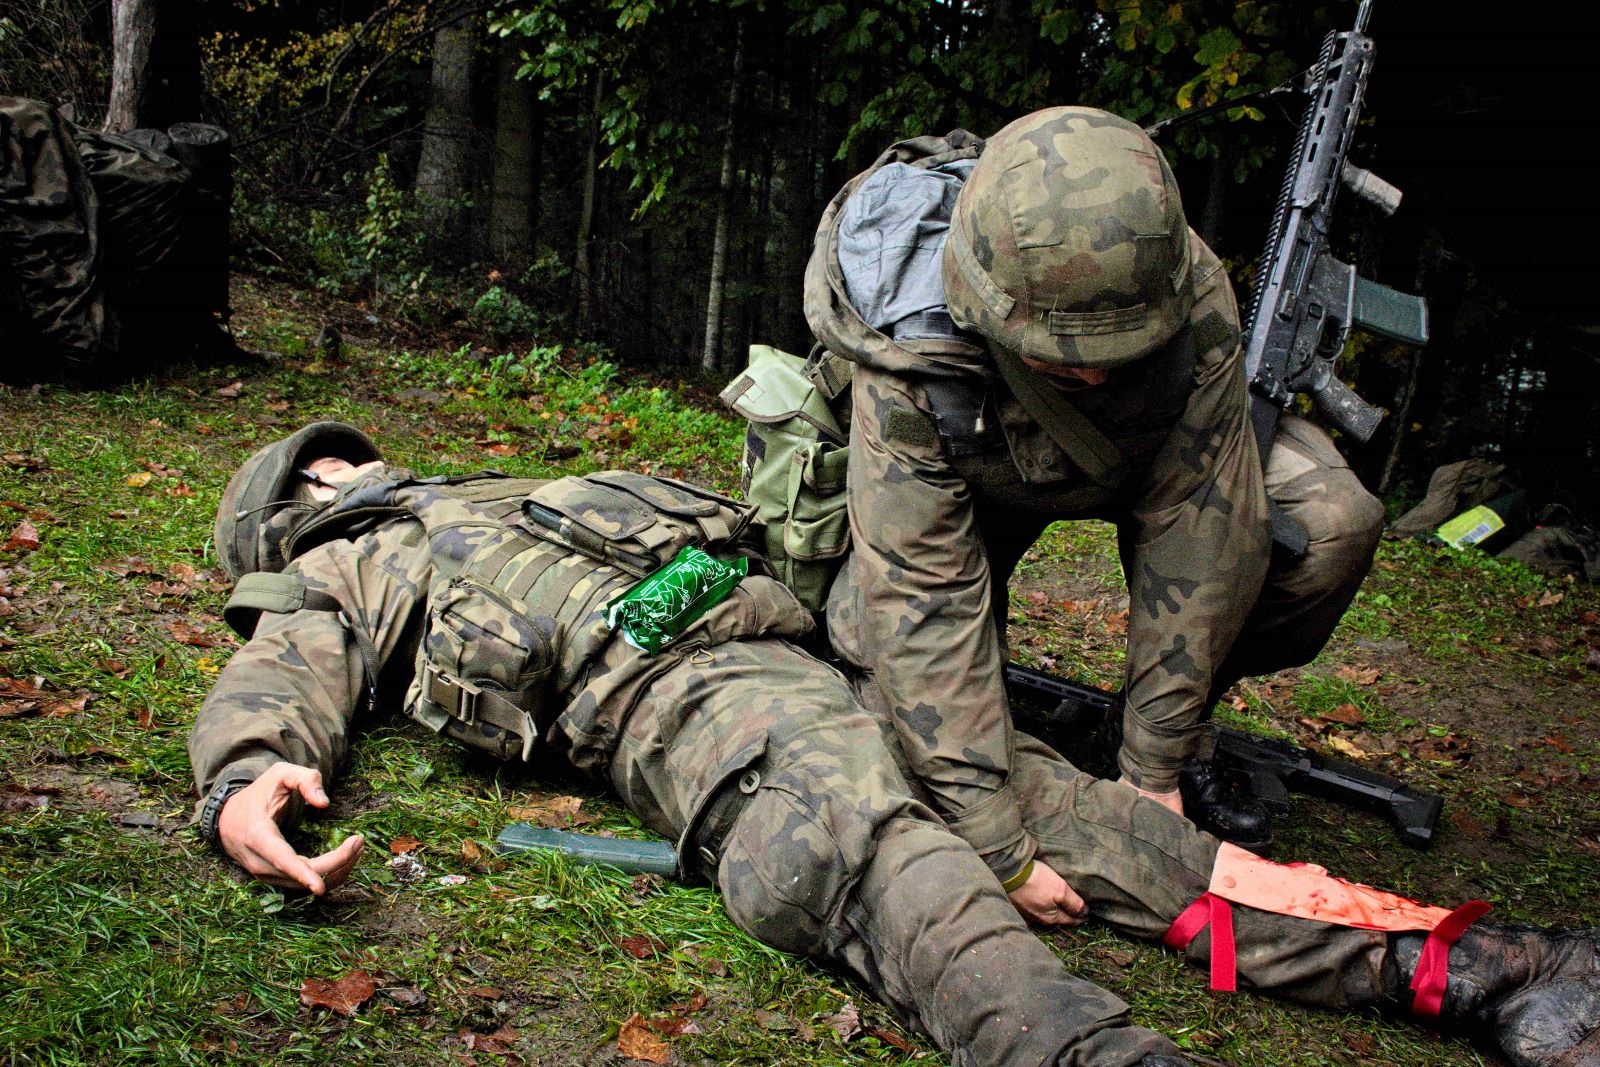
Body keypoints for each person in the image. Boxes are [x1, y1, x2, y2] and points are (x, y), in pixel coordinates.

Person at [191, 421, 1597, 1067]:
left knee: (1087, 816)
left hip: (829, 652)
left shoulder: (522, 485)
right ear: (296, 512)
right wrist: (248, 777)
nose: (343, 461)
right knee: (865, 837)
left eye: (338, 451)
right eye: (314, 471)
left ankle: (1480, 968)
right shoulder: (352, 564)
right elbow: (282, 669)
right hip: (690, 709)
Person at [802, 105, 1386, 860]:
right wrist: (991, 832)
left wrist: (1154, 763)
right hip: (978, 463)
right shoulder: (906, 339)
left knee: (1332, 525)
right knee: (877, 668)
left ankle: (1148, 727)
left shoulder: (1182, 286)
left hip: (1139, 452)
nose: (1094, 375)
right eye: (1061, 355)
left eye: (1119, 350)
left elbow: (1203, 521)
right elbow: (922, 590)